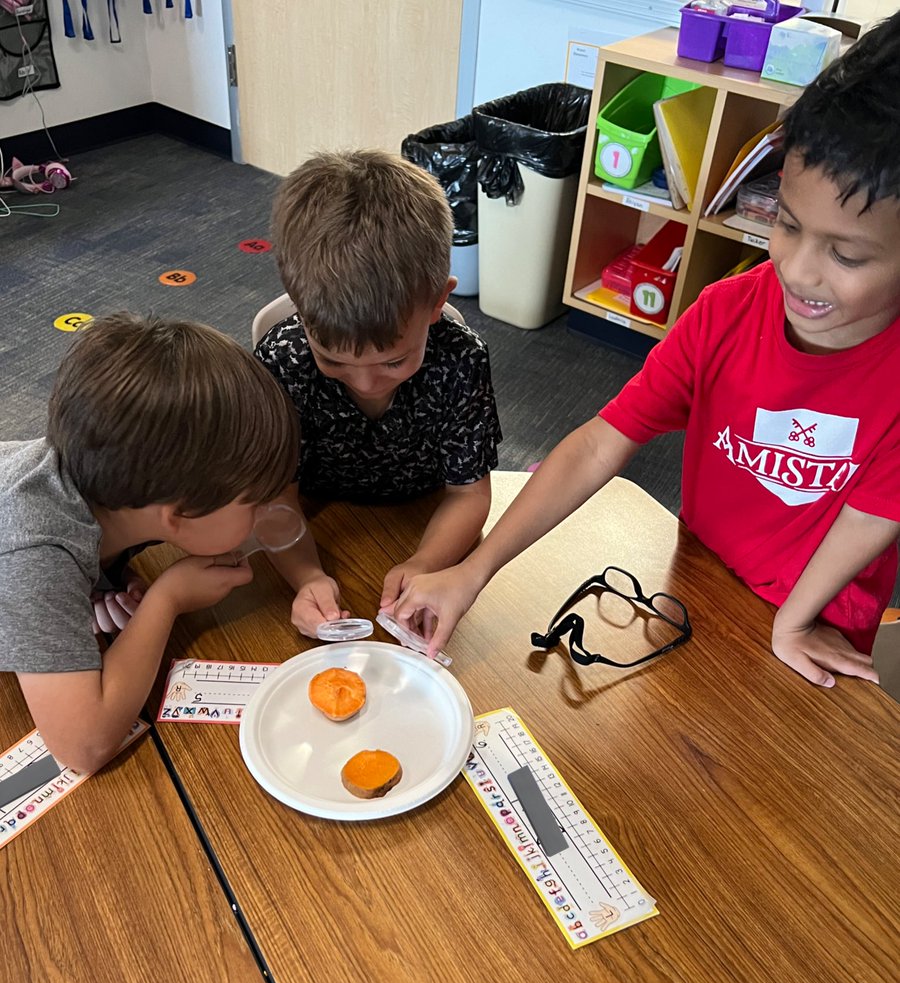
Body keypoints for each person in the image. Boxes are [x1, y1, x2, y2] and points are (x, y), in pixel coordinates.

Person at [391, 14, 900, 688]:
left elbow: (874, 515)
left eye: (846, 255)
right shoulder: (724, 313)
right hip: (700, 575)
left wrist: (794, 622)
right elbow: (600, 443)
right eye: (786, 223)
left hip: (814, 621)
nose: (798, 271)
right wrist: (473, 570)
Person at [0, 314, 298, 772]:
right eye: (254, 502)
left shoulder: (107, 481)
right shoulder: (35, 554)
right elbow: (83, 747)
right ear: (178, 516)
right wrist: (167, 597)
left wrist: (111, 577)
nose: (264, 514)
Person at [255, 149, 501, 637]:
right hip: (315, 517)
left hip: (425, 516)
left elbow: (469, 494)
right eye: (333, 361)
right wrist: (305, 577)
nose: (365, 382)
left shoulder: (461, 360)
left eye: (393, 361)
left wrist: (427, 561)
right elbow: (274, 497)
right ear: (300, 311)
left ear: (438, 301)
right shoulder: (283, 359)